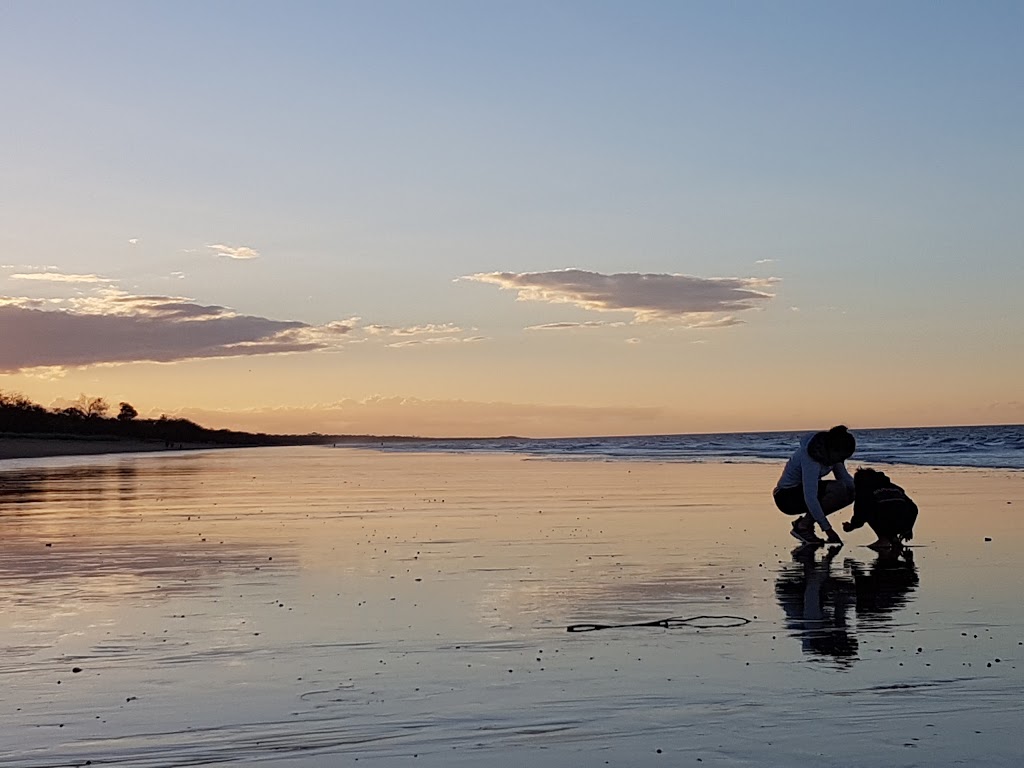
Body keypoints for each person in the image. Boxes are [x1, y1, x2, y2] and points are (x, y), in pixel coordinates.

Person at [773, 425, 856, 545]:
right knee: (838, 489)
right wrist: (828, 529)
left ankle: (803, 524)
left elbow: (847, 481)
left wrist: (865, 489)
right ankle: (803, 526)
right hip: (786, 497)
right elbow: (810, 497)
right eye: (842, 457)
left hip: (799, 494)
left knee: (850, 492)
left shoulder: (832, 456)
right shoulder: (810, 458)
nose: (842, 460)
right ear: (833, 449)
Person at [843, 468, 918, 550]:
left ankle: (883, 539)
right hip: (903, 522)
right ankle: (893, 538)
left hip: (885, 521)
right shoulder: (895, 488)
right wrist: (908, 528)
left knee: (872, 509)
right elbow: (914, 508)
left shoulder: (864, 491)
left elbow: (860, 514)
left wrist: (851, 526)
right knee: (886, 508)